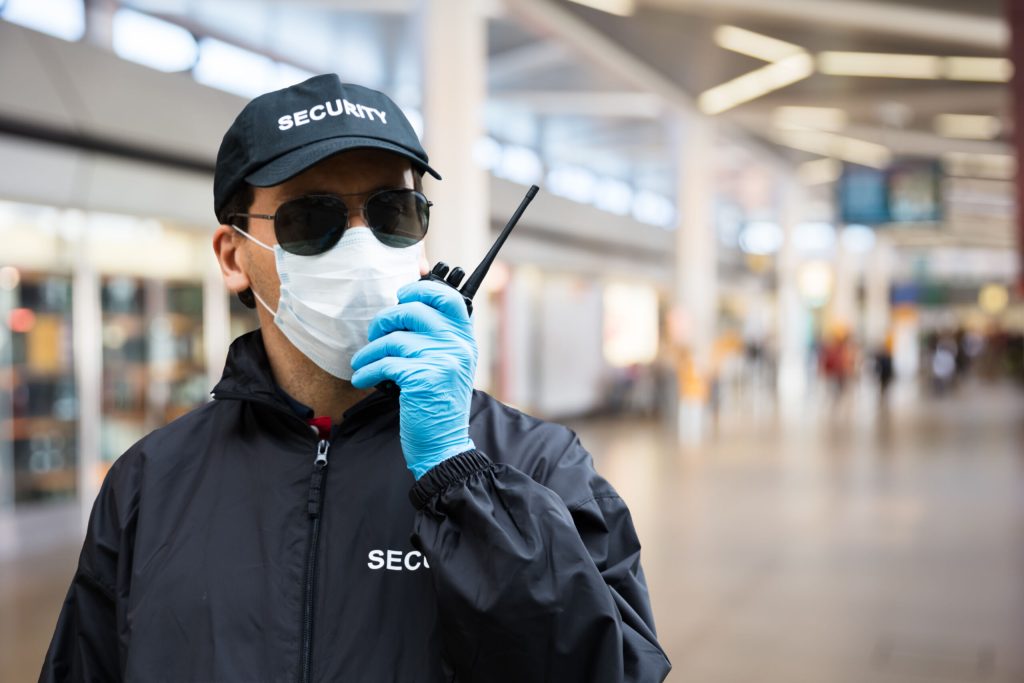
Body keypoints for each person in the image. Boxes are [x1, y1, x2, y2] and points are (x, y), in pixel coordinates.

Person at [40, 74, 670, 682]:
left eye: (393, 210)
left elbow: (605, 667)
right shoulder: (151, 485)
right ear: (234, 257)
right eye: (312, 219)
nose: (364, 244)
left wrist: (462, 481)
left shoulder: (538, 467)